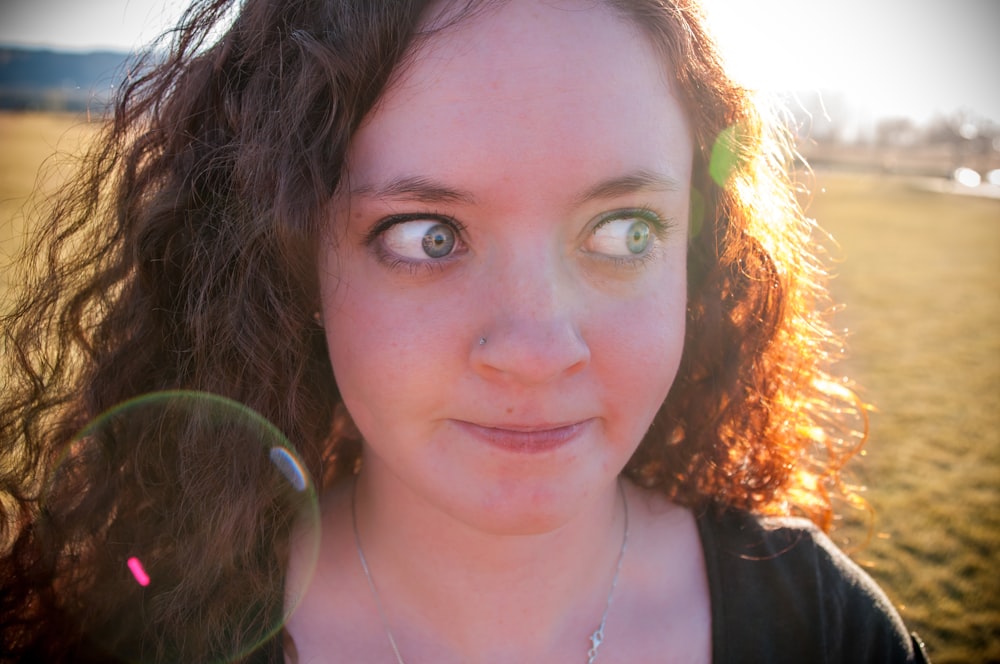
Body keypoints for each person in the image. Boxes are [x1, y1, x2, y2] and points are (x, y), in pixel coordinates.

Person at [0, 0, 930, 662]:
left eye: (623, 231)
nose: (536, 348)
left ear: (699, 258)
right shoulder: (155, 631)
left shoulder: (826, 630)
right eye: (426, 236)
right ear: (289, 264)